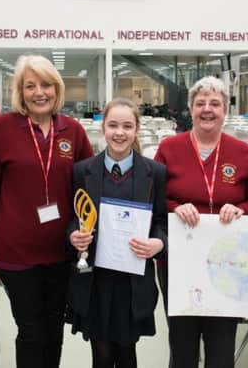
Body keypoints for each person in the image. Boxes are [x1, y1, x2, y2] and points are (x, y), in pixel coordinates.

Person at [0, 55, 93, 368]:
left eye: (45, 84)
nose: (39, 92)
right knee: (31, 331)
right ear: (20, 92)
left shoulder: (72, 131)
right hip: (17, 254)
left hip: (61, 252)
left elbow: (86, 189)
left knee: (53, 331)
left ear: (56, 89)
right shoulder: (1, 129)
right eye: (30, 86)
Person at [154, 76, 248, 368]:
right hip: (178, 261)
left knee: (222, 346)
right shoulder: (169, 148)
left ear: (225, 109)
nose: (207, 109)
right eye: (200, 103)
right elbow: (152, 200)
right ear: (191, 109)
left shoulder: (242, 151)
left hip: (227, 262)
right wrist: (175, 207)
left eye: (215, 103)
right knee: (182, 344)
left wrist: (241, 209)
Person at [67, 97, 167, 368]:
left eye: (127, 126)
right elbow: (74, 218)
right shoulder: (82, 171)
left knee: (126, 350)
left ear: (136, 129)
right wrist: (74, 235)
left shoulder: (155, 173)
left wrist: (159, 243)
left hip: (131, 279)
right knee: (100, 352)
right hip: (95, 278)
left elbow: (161, 221)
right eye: (112, 125)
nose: (119, 132)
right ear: (103, 128)